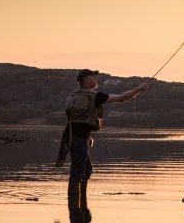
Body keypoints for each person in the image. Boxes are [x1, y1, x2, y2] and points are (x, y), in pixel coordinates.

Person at [55, 69, 148, 210]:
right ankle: (75, 207)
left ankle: (81, 204)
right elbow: (121, 98)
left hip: (73, 135)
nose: (96, 80)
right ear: (86, 79)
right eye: (94, 77)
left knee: (86, 170)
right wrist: (139, 89)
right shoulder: (95, 96)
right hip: (78, 137)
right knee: (78, 171)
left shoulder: (73, 95)